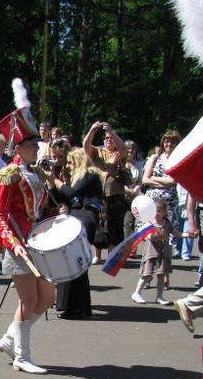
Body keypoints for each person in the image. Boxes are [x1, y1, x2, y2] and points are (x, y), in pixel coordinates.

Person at [0, 92, 56, 375]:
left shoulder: (36, 173)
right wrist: (13, 243)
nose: (36, 148)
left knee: (47, 299)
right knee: (28, 302)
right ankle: (22, 356)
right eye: (32, 144)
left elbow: (39, 211)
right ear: (18, 147)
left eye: (36, 144)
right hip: (18, 245)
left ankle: (10, 339)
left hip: (38, 244)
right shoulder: (10, 174)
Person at [46, 146, 102, 319]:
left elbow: (72, 192)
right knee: (74, 263)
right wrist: (50, 183)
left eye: (70, 162)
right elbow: (62, 198)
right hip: (77, 217)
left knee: (77, 262)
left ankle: (77, 307)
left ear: (78, 161)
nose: (68, 166)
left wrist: (55, 179)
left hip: (86, 219)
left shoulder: (90, 174)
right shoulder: (77, 177)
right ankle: (76, 306)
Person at [83, 121, 130, 263]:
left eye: (111, 138)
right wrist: (92, 130)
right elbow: (85, 147)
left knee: (114, 225)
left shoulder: (119, 154)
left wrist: (111, 131)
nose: (109, 140)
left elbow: (122, 147)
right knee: (98, 224)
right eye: (106, 138)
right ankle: (97, 254)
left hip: (115, 194)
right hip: (98, 193)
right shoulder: (98, 151)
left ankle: (112, 253)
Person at [132, 199, 185, 305]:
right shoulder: (149, 223)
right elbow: (149, 237)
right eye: (155, 211)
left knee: (161, 275)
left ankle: (159, 296)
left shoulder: (167, 224)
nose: (157, 213)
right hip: (151, 253)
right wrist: (156, 234)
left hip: (163, 253)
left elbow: (178, 234)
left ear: (164, 212)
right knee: (146, 274)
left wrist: (189, 234)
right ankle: (137, 293)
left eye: (159, 211)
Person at [142, 130, 183, 258]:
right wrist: (165, 183)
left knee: (168, 229)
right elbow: (145, 179)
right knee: (152, 228)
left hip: (169, 202)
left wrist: (155, 178)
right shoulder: (155, 158)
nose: (169, 143)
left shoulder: (178, 159)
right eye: (166, 140)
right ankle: (150, 257)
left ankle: (166, 260)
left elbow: (174, 181)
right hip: (153, 201)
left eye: (172, 141)